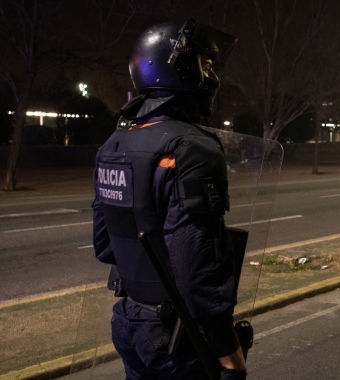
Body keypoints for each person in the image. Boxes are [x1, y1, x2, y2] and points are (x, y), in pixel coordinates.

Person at [92, 20, 247, 379]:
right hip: (179, 335)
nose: (214, 78)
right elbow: (197, 267)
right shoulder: (192, 147)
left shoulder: (114, 145)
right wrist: (228, 352)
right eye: (206, 66)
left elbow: (105, 246)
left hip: (129, 323)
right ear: (177, 68)